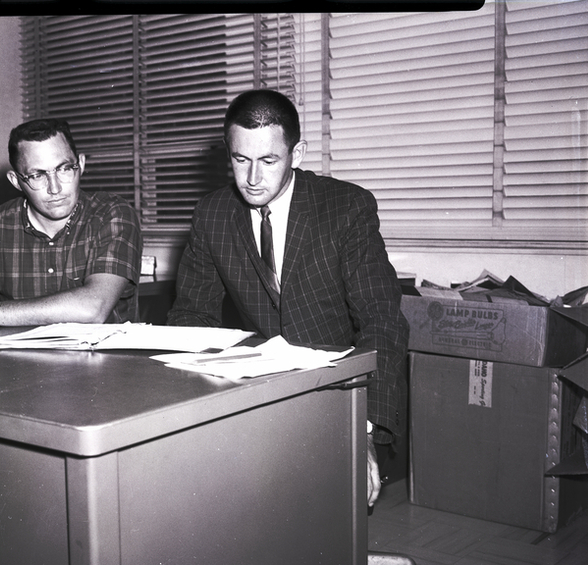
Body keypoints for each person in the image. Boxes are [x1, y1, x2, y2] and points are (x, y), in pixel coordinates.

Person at [167, 90, 409, 508]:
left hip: (340, 394)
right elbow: (192, 316)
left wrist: (363, 430)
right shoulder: (212, 214)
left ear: (297, 154)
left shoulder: (345, 208)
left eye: (268, 160)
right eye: (240, 159)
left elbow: (381, 321)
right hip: (259, 392)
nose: (252, 178)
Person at [0, 118, 142, 327]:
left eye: (64, 169)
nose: (55, 188)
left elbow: (93, 307)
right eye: (37, 176)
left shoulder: (112, 214)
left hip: (103, 359)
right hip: (18, 360)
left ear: (80, 165)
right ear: (16, 181)